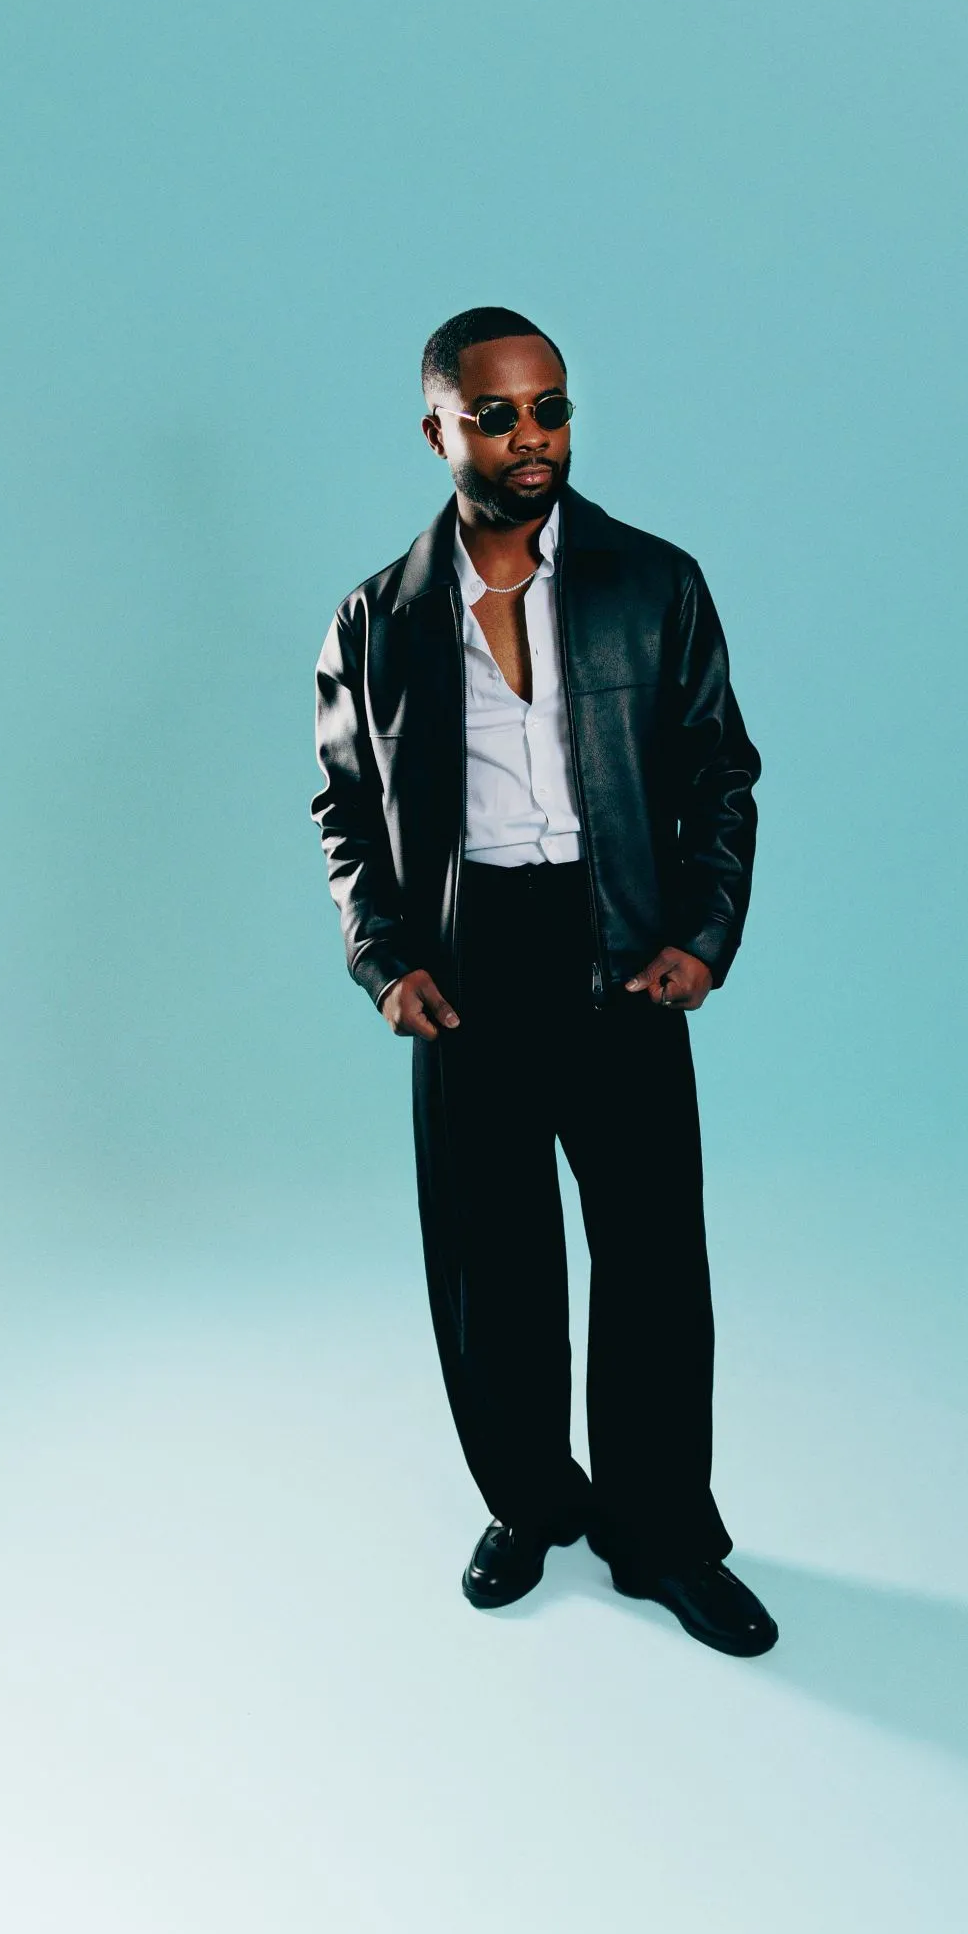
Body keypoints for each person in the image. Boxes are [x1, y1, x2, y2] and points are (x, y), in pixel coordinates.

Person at [310, 306, 776, 1657]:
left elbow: (721, 773)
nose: (533, 439)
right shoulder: (378, 619)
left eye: (552, 409)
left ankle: (665, 1536)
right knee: (492, 1268)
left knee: (648, 1263)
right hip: (465, 972)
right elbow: (344, 809)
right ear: (438, 429)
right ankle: (528, 1501)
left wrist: (704, 928)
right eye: (500, 414)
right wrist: (383, 959)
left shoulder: (652, 583)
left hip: (621, 955)